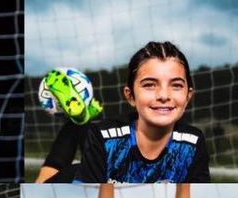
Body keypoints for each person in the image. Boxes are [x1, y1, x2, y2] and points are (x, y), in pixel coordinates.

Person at [39, 41, 211, 184]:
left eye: (176, 85)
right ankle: (79, 118)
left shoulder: (193, 142)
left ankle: (79, 117)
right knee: (52, 180)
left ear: (188, 96)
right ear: (130, 96)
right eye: (150, 85)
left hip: (101, 160)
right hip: (82, 168)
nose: (164, 95)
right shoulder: (104, 137)